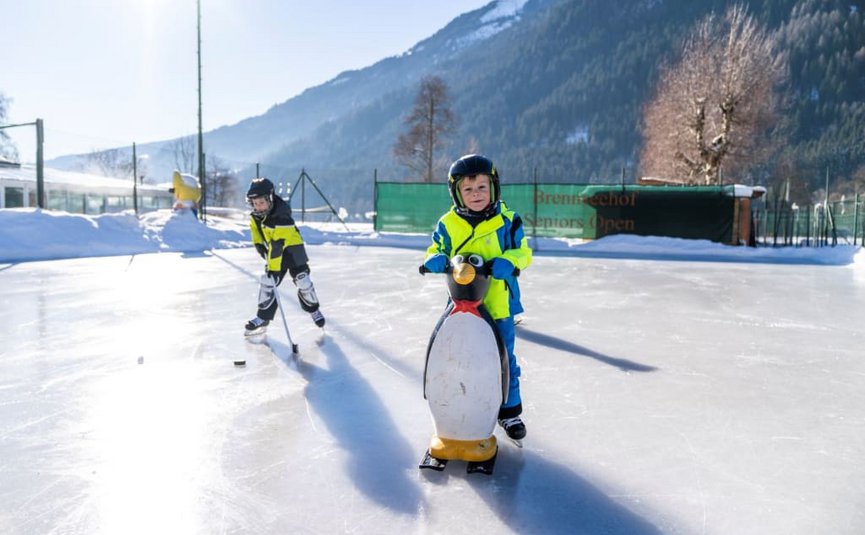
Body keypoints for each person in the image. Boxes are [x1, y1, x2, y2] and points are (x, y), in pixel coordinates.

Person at [422, 154, 532, 440]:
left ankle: (509, 413)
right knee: (457, 353)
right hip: (460, 302)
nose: (476, 195)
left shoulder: (508, 220)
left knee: (503, 358)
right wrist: (434, 259)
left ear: (493, 187)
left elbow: (523, 251)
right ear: (457, 193)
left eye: (482, 187)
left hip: (498, 304)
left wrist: (510, 261)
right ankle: (460, 404)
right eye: (468, 190)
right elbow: (436, 248)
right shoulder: (448, 223)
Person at [245, 177, 325, 333]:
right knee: (268, 283)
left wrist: (272, 268)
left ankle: (314, 309)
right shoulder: (257, 215)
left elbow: (277, 247)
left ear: (270, 198)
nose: (258, 207)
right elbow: (255, 229)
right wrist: (259, 244)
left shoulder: (282, 217)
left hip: (292, 249)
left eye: (261, 202)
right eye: (254, 203)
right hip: (275, 252)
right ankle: (263, 317)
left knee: (303, 280)